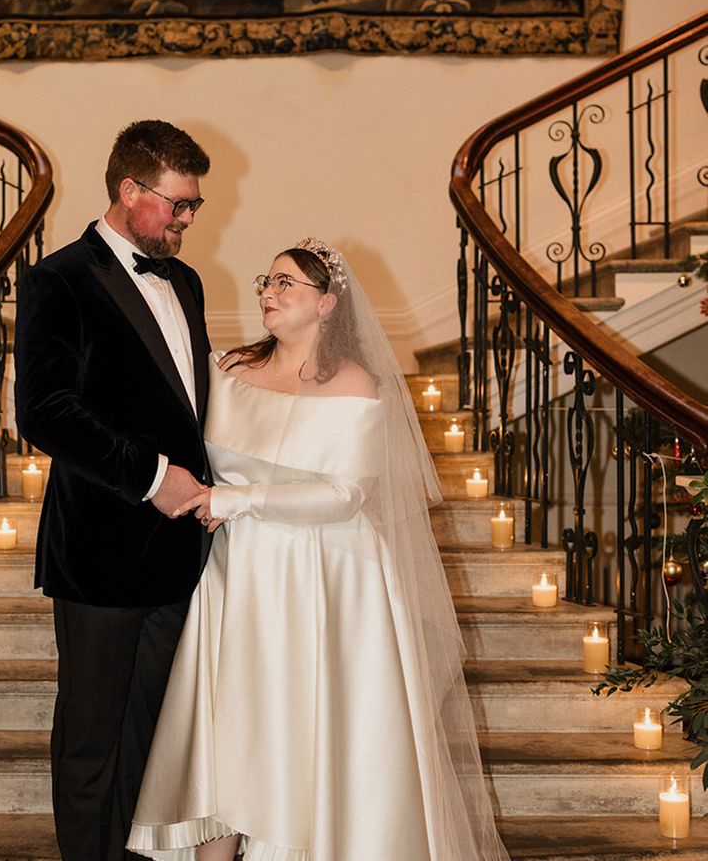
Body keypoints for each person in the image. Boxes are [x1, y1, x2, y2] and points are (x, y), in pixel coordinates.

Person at [126, 238, 510, 861]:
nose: (268, 293)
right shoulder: (226, 372)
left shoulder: (355, 385)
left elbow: (345, 494)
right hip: (240, 572)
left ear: (328, 304)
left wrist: (235, 501)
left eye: (286, 284)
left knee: (304, 730)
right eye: (266, 281)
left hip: (327, 576)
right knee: (231, 729)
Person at [14, 120, 219, 861]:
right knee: (92, 740)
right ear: (129, 190)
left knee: (154, 736)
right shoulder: (58, 279)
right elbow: (44, 413)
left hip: (178, 556)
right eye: (178, 203)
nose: (188, 218)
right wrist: (155, 478)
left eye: (193, 204)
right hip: (99, 550)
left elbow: (189, 410)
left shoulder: (187, 282)